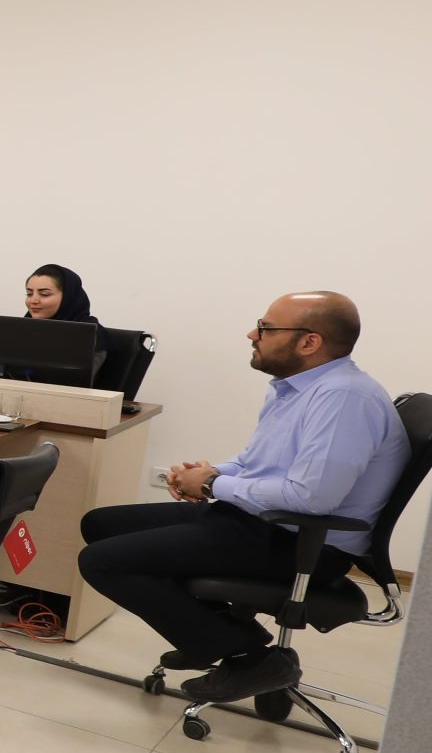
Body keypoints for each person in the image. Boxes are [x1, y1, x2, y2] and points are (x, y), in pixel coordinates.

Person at [78, 292, 407, 703]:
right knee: (100, 525)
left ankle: (247, 655)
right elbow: (257, 463)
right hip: (263, 522)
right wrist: (207, 475)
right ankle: (220, 635)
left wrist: (212, 486)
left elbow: (311, 499)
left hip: (303, 543)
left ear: (310, 342)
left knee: (101, 561)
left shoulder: (343, 399)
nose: (253, 334)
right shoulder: (297, 388)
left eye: (266, 328)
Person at [25, 262, 96, 324]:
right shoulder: (23, 328)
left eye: (44, 294)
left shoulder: (92, 332)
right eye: (29, 294)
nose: (33, 301)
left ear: (68, 297)